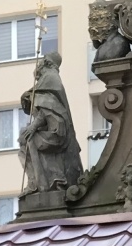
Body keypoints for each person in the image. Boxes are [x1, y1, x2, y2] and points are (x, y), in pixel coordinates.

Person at [17, 52, 83, 194]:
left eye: (41, 61)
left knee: (29, 138)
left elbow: (49, 107)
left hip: (57, 132)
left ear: (46, 63)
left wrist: (34, 126)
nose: (38, 64)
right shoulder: (47, 79)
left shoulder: (50, 78)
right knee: (25, 137)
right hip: (53, 129)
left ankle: (40, 183)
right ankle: (49, 179)